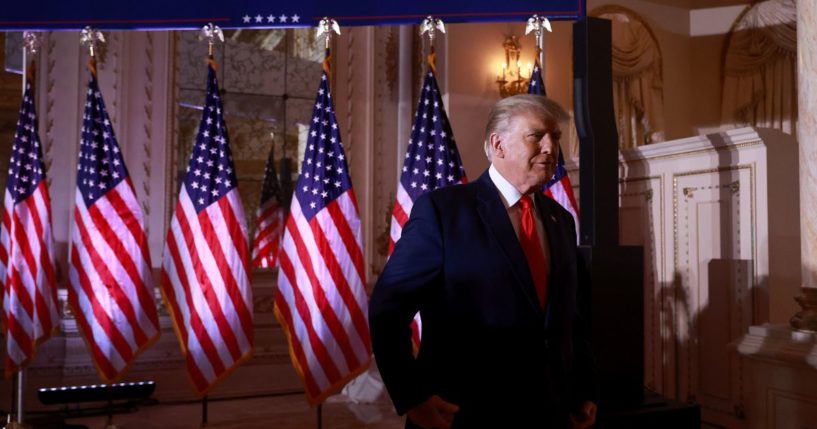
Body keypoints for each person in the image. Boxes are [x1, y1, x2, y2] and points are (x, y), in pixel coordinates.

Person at [369, 94, 598, 428]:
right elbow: (388, 311)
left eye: (556, 138)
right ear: (498, 144)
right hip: (463, 414)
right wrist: (412, 397)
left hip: (550, 411)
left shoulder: (560, 219)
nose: (551, 148)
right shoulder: (443, 212)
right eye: (537, 136)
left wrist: (584, 388)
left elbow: (572, 318)